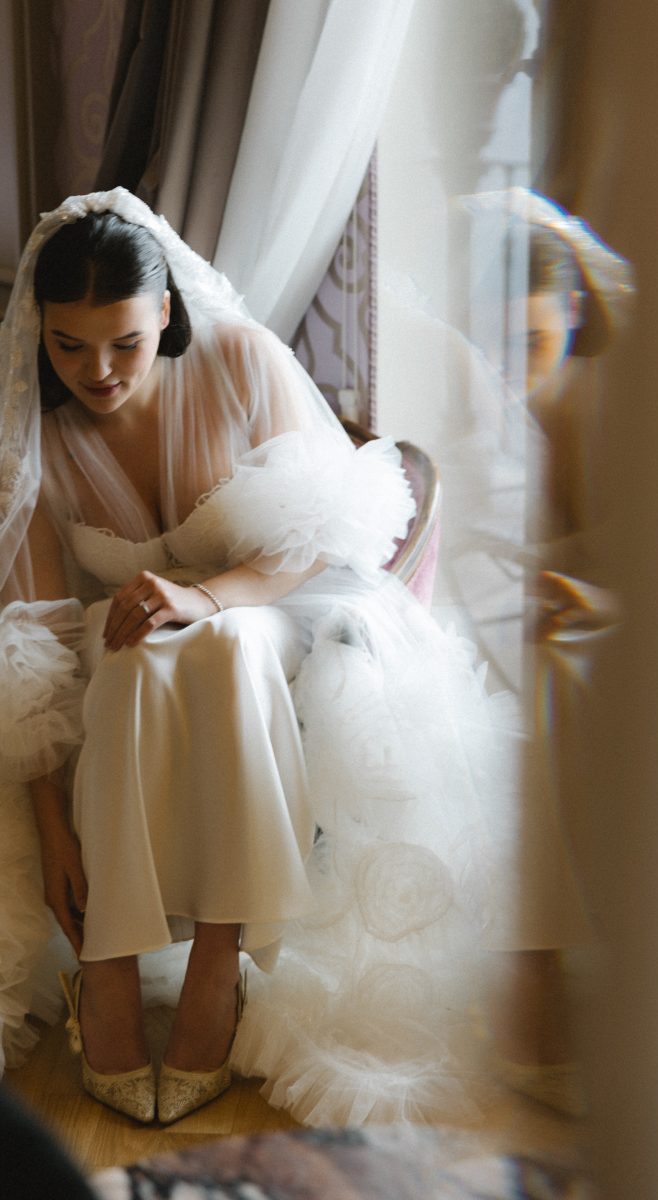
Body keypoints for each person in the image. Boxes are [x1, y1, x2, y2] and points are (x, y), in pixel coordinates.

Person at [0, 188, 514, 1127]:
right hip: (133, 648)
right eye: (69, 346)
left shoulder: (239, 358)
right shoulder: (38, 429)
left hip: (275, 607)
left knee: (222, 642)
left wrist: (203, 597)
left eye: (123, 342)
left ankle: (216, 963)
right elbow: (32, 637)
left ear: (165, 310)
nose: (98, 371)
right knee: (132, 656)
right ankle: (107, 967)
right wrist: (53, 830)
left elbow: (329, 532)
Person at [442, 189, 632, 1115]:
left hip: (620, 613)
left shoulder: (621, 411)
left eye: (532, 339)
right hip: (485, 607)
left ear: (577, 312)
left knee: (570, 674)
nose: (507, 366)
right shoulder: (466, 405)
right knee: (532, 684)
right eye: (488, 341)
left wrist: (600, 599)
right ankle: (534, 981)